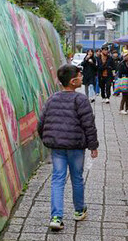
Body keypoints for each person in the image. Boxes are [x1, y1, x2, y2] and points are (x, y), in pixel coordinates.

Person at [37, 64, 99, 232]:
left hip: (57, 147)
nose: (82, 77)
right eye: (80, 76)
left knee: (57, 179)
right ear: (73, 81)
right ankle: (79, 211)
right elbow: (89, 125)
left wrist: (46, 138)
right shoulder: (80, 100)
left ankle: (56, 217)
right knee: (77, 178)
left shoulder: (52, 98)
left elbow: (41, 122)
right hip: (76, 147)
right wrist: (93, 146)